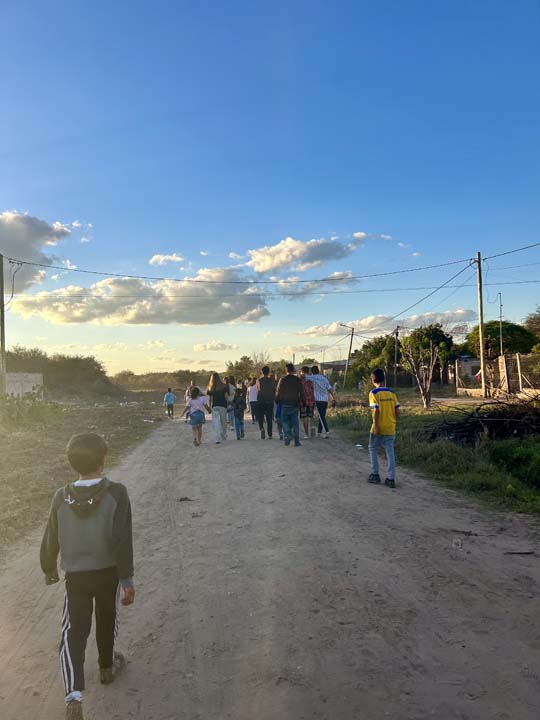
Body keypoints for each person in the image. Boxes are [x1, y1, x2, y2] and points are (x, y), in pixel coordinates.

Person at [40, 433, 135, 720]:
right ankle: (106, 666)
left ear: (72, 463)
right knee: (107, 618)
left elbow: (51, 535)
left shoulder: (61, 496)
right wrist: (127, 580)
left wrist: (49, 567)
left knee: (73, 631)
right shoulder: (116, 493)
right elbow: (122, 540)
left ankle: (73, 695)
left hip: (76, 577)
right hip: (107, 573)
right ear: (103, 460)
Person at [368, 368, 400, 488]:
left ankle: (375, 474)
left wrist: (376, 426)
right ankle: (391, 478)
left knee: (372, 448)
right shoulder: (392, 393)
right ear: (384, 379)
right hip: (390, 426)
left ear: (373, 380)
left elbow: (376, 410)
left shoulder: (374, 393)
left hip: (378, 427)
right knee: (390, 451)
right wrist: (393, 421)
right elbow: (397, 411)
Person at [276, 363, 305, 447]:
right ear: (293, 370)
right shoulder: (297, 379)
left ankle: (287, 436)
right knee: (295, 423)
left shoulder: (282, 379)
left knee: (285, 422)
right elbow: (301, 392)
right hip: (295, 404)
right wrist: (303, 402)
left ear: (286, 370)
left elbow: (278, 391)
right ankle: (296, 441)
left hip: (285, 404)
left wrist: (277, 401)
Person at [308, 366, 335, 438]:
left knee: (321, 417)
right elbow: (330, 389)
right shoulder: (324, 378)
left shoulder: (312, 378)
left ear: (312, 372)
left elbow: (304, 377)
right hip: (325, 400)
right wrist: (333, 398)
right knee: (322, 416)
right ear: (318, 371)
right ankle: (319, 432)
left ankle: (327, 431)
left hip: (317, 400)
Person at [207, 372, 229, 444]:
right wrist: (227, 403)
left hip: (215, 406)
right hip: (223, 405)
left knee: (216, 422)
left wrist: (209, 406)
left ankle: (217, 438)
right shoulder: (224, 386)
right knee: (223, 422)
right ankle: (223, 435)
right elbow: (226, 396)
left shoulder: (211, 387)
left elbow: (210, 398)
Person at [256, 366, 276, 439]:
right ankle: (270, 434)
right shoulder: (272, 381)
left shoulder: (259, 380)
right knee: (269, 418)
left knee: (260, 417)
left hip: (261, 401)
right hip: (269, 401)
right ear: (268, 372)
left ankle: (262, 428)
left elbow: (258, 390)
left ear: (262, 372)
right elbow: (274, 390)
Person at [299, 366, 315, 439]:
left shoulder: (300, 379)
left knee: (305, 417)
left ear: (302, 371)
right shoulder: (312, 378)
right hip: (311, 400)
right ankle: (312, 429)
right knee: (311, 416)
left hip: (303, 401)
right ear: (308, 371)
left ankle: (306, 434)